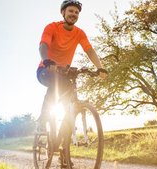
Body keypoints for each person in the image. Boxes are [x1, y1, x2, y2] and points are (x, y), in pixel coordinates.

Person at [36, 0, 107, 132]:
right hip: (46, 70)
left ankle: (64, 140)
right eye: (70, 11)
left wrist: (100, 67)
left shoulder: (79, 33)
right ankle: (43, 119)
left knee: (70, 98)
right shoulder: (52, 27)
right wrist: (46, 60)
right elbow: (43, 45)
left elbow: (89, 50)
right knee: (60, 84)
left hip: (64, 72)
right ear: (63, 13)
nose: (74, 14)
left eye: (76, 12)